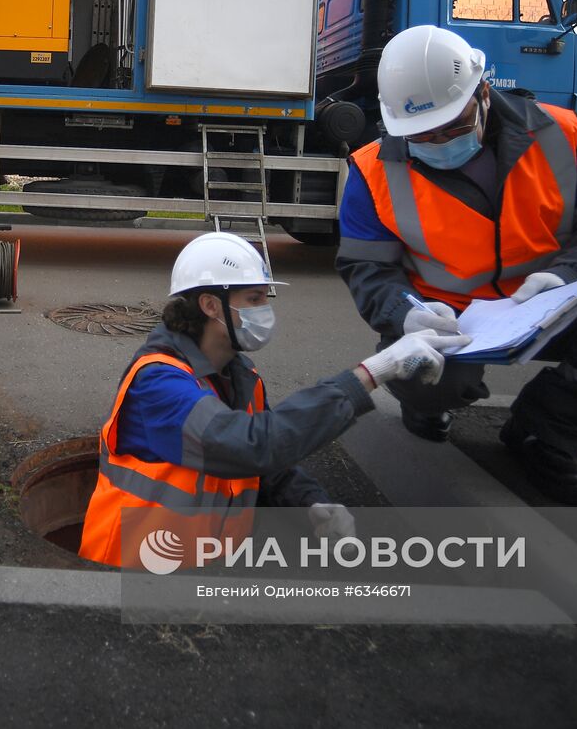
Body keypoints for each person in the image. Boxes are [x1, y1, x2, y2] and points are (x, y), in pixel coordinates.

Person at [336, 24, 577, 504]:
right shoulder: (373, 169)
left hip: (555, 303)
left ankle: (544, 433)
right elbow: (368, 269)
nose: (437, 141)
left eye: (450, 126)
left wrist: (565, 277)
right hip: (448, 322)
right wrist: (406, 312)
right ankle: (427, 405)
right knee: (419, 376)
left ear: (483, 93)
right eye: (421, 135)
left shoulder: (561, 134)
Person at [79, 231, 467, 568]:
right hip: (124, 576)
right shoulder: (157, 384)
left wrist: (310, 503)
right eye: (254, 299)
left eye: (266, 298)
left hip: (195, 570)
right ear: (211, 306)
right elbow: (250, 446)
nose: (266, 311)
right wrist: (371, 374)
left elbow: (268, 466)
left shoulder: (239, 375)